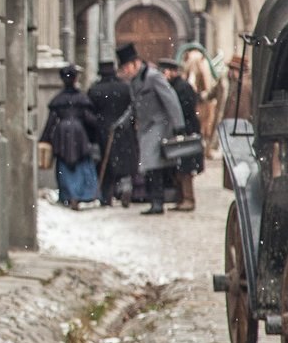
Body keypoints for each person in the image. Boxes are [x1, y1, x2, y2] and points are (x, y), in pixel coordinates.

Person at [117, 42, 185, 216]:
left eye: (126, 67)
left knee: (152, 163)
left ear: (135, 63)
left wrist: (179, 126)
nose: (126, 72)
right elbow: (134, 106)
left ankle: (157, 201)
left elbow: (171, 100)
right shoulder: (135, 82)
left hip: (159, 125)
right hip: (145, 127)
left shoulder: (153, 76)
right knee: (149, 165)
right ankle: (156, 200)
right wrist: (122, 122)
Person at [41, 65, 102, 209]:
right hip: (79, 133)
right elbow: (90, 120)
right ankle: (84, 194)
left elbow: (50, 122)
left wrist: (45, 139)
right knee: (82, 165)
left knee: (64, 166)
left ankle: (69, 195)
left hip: (62, 133)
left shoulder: (58, 100)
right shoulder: (81, 99)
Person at [88, 60, 137, 207]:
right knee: (124, 162)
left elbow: (90, 112)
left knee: (106, 163)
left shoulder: (95, 90)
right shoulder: (125, 88)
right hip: (124, 130)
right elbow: (133, 109)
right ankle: (125, 188)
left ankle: (106, 196)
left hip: (103, 131)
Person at [159, 59, 203, 212]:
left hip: (186, 131)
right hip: (181, 130)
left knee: (186, 168)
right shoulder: (174, 87)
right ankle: (181, 198)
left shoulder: (182, 87)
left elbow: (186, 109)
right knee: (179, 167)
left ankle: (188, 199)